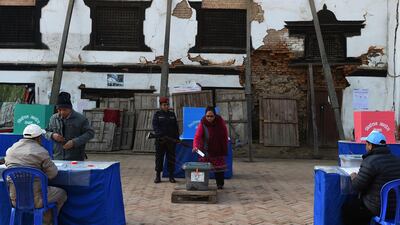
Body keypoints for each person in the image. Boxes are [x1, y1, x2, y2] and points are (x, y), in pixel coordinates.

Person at [5, 124, 67, 225]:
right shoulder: (41, 151)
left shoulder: (10, 150)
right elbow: (53, 174)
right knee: (61, 194)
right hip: (37, 200)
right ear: (39, 138)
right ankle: (47, 223)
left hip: (15, 200)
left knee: (44, 194)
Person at [342, 130, 400, 225]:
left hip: (379, 209)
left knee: (349, 208)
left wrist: (353, 177)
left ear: (370, 146)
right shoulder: (397, 160)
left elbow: (357, 186)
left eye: (366, 144)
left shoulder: (370, 162)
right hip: (397, 209)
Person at [45, 92, 94, 161]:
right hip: (57, 157)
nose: (62, 112)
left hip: (76, 158)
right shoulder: (53, 118)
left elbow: (90, 133)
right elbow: (46, 132)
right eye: (59, 110)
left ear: (70, 108)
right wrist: (52, 135)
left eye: (64, 110)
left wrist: (74, 142)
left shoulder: (81, 119)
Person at [193, 106, 228, 189]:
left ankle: (220, 184)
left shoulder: (220, 122)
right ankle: (201, 184)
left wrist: (224, 146)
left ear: (215, 116)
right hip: (205, 150)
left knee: (219, 169)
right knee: (202, 168)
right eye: (207, 116)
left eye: (211, 116)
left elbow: (225, 134)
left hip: (218, 149)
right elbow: (197, 136)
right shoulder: (203, 123)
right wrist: (195, 146)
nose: (209, 118)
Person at [152, 97, 180, 183]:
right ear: (160, 105)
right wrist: (161, 135)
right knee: (159, 158)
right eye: (164, 105)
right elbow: (155, 126)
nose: (166, 106)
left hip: (171, 141)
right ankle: (158, 176)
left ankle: (171, 176)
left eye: (167, 105)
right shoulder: (157, 114)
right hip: (160, 140)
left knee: (171, 158)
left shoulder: (172, 114)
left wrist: (177, 138)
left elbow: (176, 127)